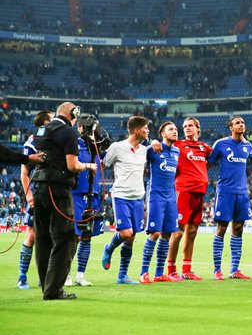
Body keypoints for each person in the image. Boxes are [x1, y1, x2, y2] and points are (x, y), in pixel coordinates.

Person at [32, 102, 96, 300]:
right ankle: (54, 290)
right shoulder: (68, 132)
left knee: (43, 239)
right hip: (58, 188)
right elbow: (72, 164)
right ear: (73, 113)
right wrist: (89, 165)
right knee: (65, 238)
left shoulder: (42, 130)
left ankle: (46, 287)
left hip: (39, 187)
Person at [152, 117, 212, 281]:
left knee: (192, 232)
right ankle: (171, 270)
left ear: (198, 129)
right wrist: (154, 141)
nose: (186, 128)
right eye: (184, 126)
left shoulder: (204, 148)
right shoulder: (178, 144)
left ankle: (187, 269)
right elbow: (163, 143)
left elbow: (216, 157)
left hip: (200, 193)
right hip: (183, 191)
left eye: (190, 126)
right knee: (177, 232)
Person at [208, 115, 252, 280]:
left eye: (243, 122)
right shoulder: (221, 144)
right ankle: (217, 270)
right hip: (225, 191)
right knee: (221, 228)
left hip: (242, 192)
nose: (241, 125)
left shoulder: (247, 145)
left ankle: (234, 270)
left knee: (238, 229)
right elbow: (209, 163)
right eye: (237, 123)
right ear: (231, 127)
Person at [101, 116, 149, 284]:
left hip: (138, 197)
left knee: (132, 236)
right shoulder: (117, 147)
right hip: (121, 195)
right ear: (136, 130)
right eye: (145, 128)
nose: (148, 131)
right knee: (125, 233)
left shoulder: (145, 150)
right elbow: (103, 164)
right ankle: (109, 248)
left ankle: (122, 276)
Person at [140, 122, 180, 283]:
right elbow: (138, 150)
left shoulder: (177, 151)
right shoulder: (153, 149)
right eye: (171, 129)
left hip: (171, 197)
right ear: (163, 134)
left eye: (176, 129)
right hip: (155, 196)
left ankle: (158, 273)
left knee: (167, 234)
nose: (175, 131)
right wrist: (151, 142)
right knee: (155, 233)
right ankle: (144, 272)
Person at [68, 116, 106, 287]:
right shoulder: (73, 142)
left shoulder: (98, 147)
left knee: (87, 236)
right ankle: (66, 274)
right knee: (73, 236)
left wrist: (97, 134)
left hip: (93, 195)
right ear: (80, 126)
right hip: (76, 193)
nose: (92, 132)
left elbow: (111, 148)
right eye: (90, 128)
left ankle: (80, 275)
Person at [17, 110, 53, 289]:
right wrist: (29, 195)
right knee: (31, 235)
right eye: (52, 118)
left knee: (51, 236)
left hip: (52, 193)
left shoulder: (54, 141)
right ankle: (22, 277)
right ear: (46, 122)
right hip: (37, 192)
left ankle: (44, 276)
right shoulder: (31, 143)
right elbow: (24, 172)